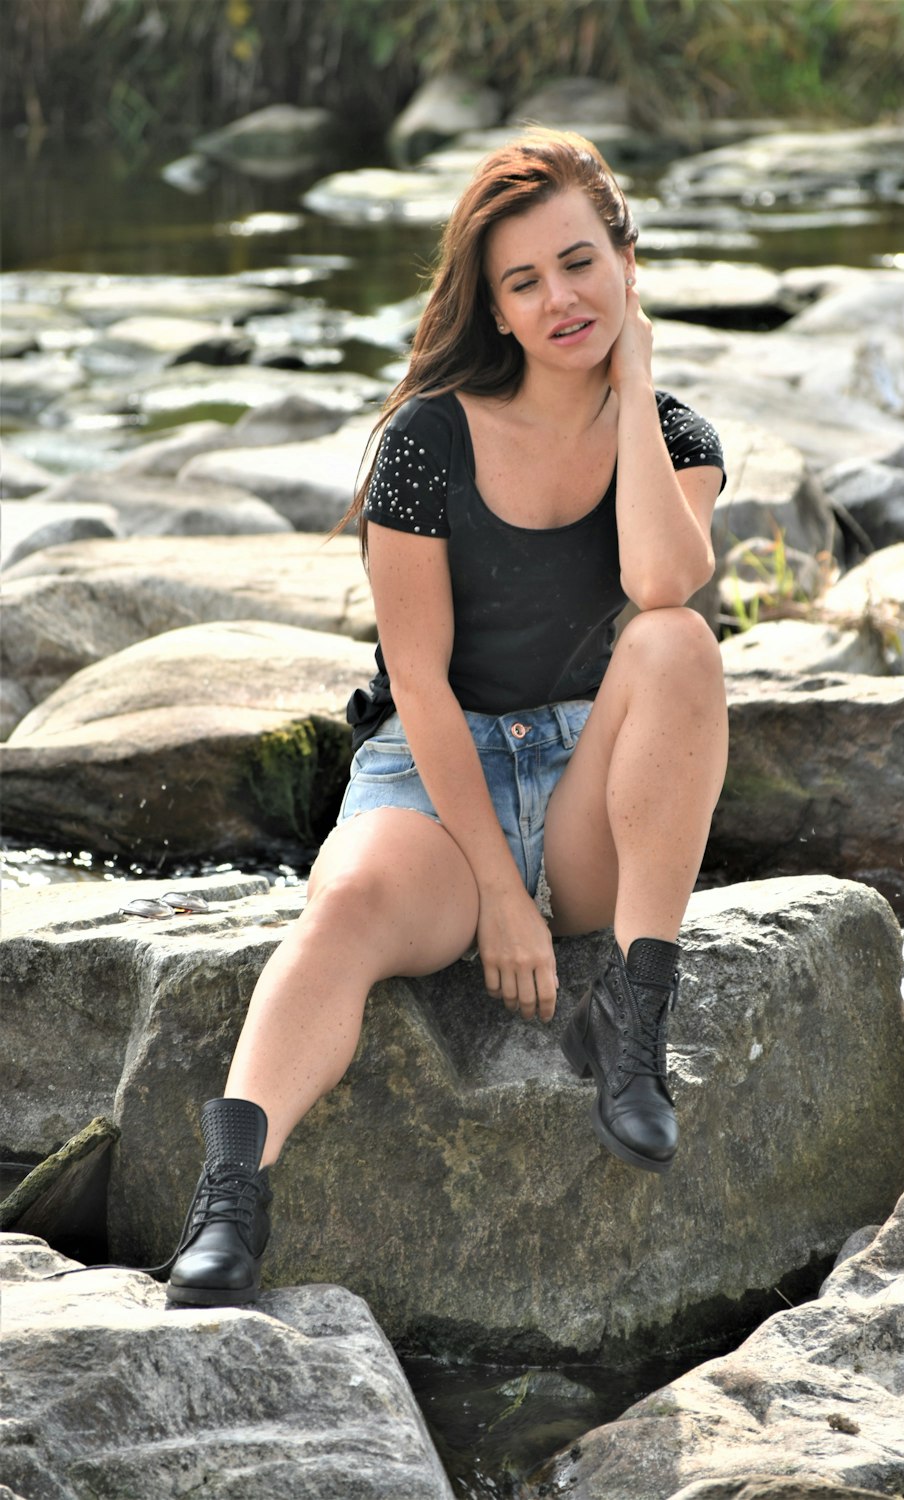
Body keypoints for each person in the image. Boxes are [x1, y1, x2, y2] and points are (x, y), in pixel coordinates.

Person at [166, 129, 729, 1309]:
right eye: (523, 282)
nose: (559, 298)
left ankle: (629, 1027)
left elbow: (663, 587)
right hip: (435, 781)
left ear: (627, 260)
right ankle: (231, 1198)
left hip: (590, 786)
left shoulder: (673, 438)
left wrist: (632, 391)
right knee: (351, 906)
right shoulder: (428, 441)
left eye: (580, 263)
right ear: (498, 310)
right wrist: (492, 893)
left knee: (676, 645)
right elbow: (417, 684)